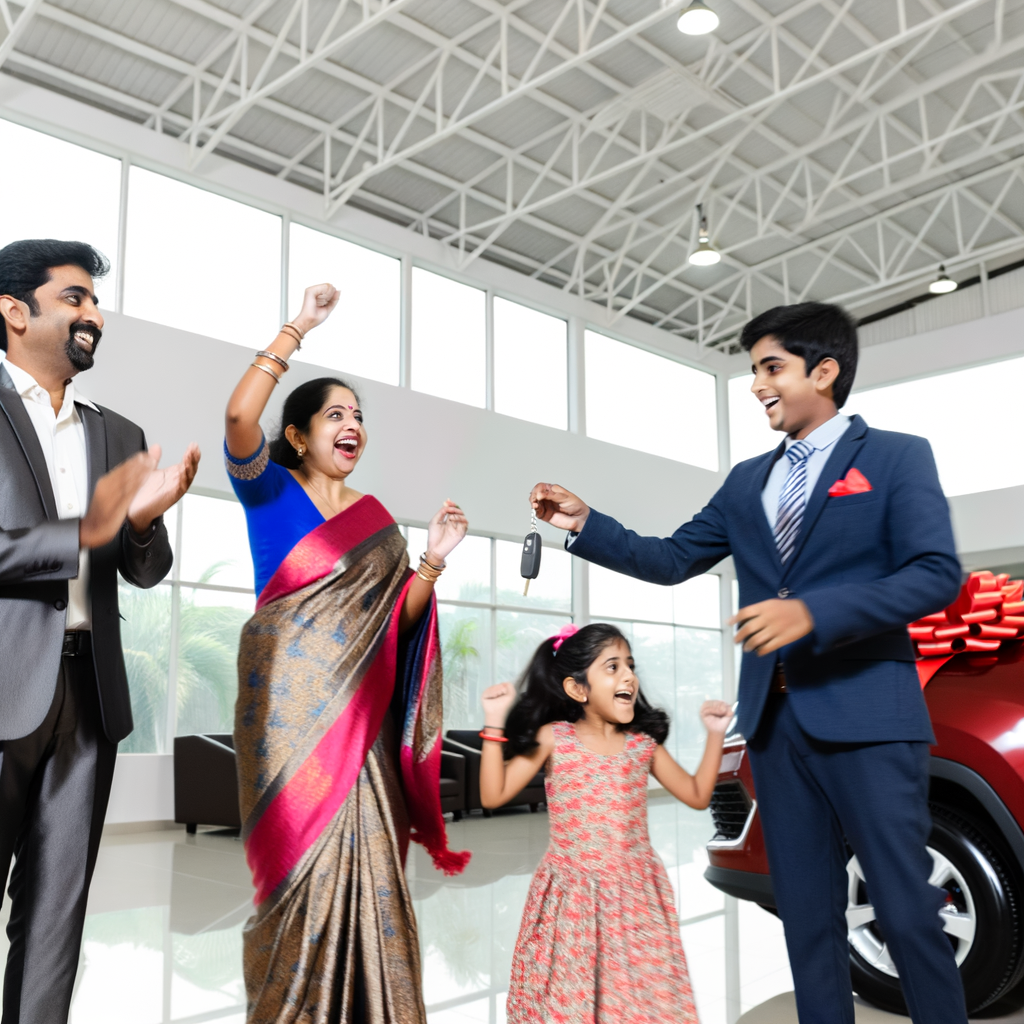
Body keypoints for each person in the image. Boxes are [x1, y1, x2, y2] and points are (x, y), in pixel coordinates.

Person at [529, 302, 966, 1024]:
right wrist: (586, 526)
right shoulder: (744, 483)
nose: (758, 385)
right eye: (753, 370)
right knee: (808, 921)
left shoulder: (896, 457)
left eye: (772, 368)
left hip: (869, 719)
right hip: (775, 725)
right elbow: (671, 559)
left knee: (906, 912)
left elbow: (934, 574)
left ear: (823, 372)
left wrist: (815, 613)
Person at [224, 282, 471, 1024]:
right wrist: (297, 327)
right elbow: (240, 416)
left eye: (359, 416)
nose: (353, 425)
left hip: (360, 733)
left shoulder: (378, 527)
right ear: (298, 436)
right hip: (284, 722)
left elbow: (398, 625)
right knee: (293, 874)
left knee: (373, 873)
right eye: (336, 414)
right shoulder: (269, 493)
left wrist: (431, 561)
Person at [0, 238, 200, 1024]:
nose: (95, 315)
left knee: (56, 914)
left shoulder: (117, 432)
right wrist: (88, 528)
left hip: (88, 698)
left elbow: (144, 569)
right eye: (75, 298)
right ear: (13, 311)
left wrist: (143, 522)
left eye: (94, 302)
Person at [478, 622, 732, 1023]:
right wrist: (494, 721)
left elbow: (698, 795)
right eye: (612, 667)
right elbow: (493, 795)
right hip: (571, 898)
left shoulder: (641, 746)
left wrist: (715, 735)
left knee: (637, 1000)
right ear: (578, 689)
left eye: (630, 665)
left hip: (634, 898)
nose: (629, 675)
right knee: (571, 997)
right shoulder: (554, 738)